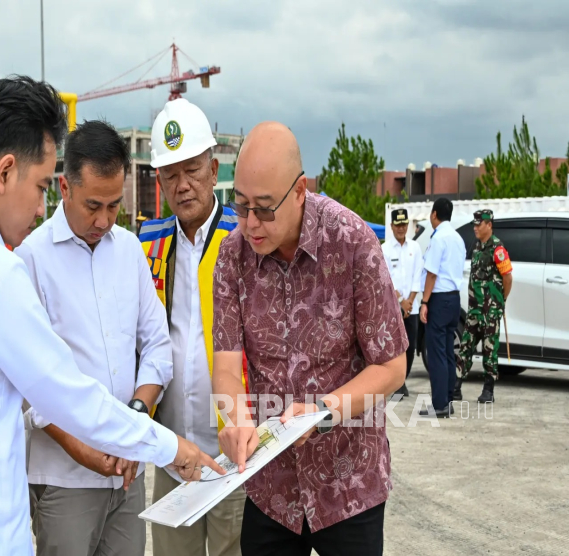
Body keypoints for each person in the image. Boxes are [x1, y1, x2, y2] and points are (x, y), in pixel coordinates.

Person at [0, 76, 222, 556]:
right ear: (6, 171)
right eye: (39, 187)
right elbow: (68, 397)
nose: (40, 208)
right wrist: (171, 448)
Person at [211, 122, 407, 556]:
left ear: (299, 190)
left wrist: (322, 412)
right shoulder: (232, 256)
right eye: (240, 205)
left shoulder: (352, 242)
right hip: (271, 486)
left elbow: (392, 366)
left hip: (347, 482)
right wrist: (233, 418)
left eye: (264, 208)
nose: (249, 223)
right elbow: (226, 365)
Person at [17, 120, 173, 556]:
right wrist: (82, 448)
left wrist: (135, 418)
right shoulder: (31, 258)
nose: (104, 220)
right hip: (63, 479)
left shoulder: (129, 252)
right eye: (93, 206)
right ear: (64, 187)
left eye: (114, 205)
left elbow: (158, 346)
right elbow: (30, 385)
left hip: (128, 474)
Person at [140, 98, 246, 556]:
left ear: (214, 167)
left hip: (235, 455)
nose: (182, 186)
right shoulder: (149, 244)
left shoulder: (245, 239)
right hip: (172, 456)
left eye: (193, 170)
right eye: (170, 175)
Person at [455, 209, 512, 403]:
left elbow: (507, 277)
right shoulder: (477, 247)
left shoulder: (498, 249)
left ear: (489, 225)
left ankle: (488, 389)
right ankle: (456, 385)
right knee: (466, 345)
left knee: (489, 349)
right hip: (475, 308)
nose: (475, 227)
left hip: (490, 309)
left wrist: (500, 302)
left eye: (479, 224)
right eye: (474, 224)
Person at [419, 197, 466, 418]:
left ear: (434, 214)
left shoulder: (439, 239)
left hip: (438, 298)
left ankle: (439, 405)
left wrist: (425, 301)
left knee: (436, 353)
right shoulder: (457, 238)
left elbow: (432, 273)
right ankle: (448, 398)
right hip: (454, 299)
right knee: (448, 351)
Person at [382, 208, 424, 398]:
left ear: (408, 225)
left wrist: (410, 301)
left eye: (404, 224)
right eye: (397, 225)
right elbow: (386, 278)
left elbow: (418, 275)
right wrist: (400, 301)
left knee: (410, 346)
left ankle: (402, 381)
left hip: (411, 308)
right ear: (391, 226)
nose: (401, 228)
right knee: (394, 346)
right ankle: (396, 384)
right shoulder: (384, 249)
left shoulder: (414, 248)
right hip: (393, 307)